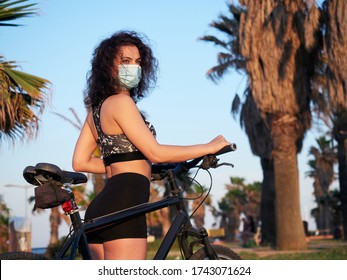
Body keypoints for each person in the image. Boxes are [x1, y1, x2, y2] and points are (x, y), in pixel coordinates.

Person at [72, 30, 231, 260]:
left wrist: (137, 165)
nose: (133, 67)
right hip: (125, 204)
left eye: (138, 62)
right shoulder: (122, 102)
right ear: (107, 66)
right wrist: (208, 147)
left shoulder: (95, 112)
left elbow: (80, 162)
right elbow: (154, 151)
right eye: (125, 61)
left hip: (100, 207)